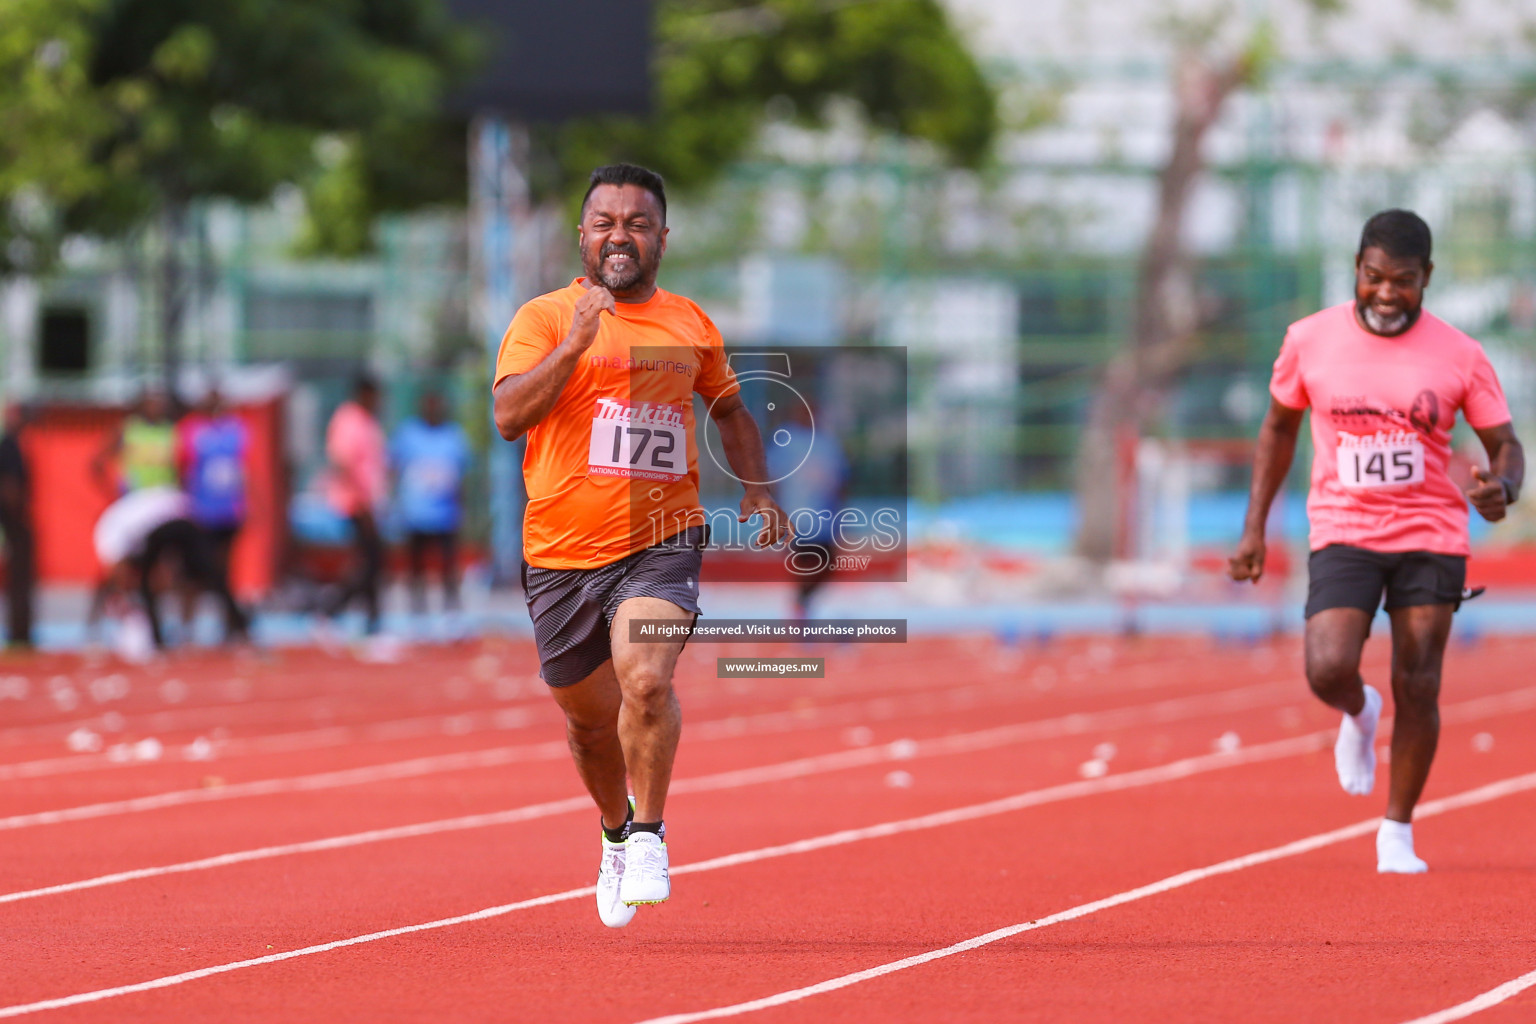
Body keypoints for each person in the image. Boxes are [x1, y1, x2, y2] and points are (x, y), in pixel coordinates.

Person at [492, 163, 791, 927]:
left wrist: (758, 489)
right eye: (605, 222)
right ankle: (615, 830)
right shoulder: (542, 318)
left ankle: (652, 833)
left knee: (647, 680)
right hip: (559, 552)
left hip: (662, 540)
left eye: (637, 222)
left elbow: (729, 410)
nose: (620, 235)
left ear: (662, 236)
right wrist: (575, 346)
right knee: (588, 723)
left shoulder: (690, 323)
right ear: (583, 235)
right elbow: (507, 416)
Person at [1229, 209, 1524, 874]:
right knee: (1328, 667)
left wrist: (1502, 490)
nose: (1386, 293)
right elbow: (1278, 429)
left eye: (1404, 281)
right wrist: (1254, 528)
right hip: (1345, 526)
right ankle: (1361, 714)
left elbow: (1505, 445)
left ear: (1428, 279)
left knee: (1419, 680)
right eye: (1374, 277)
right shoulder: (1309, 340)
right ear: (1356, 269)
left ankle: (1397, 830)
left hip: (1431, 531)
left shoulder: (1460, 354)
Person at [93, 486, 250, 651]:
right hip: (166, 521)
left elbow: (127, 575)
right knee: (155, 583)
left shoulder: (110, 543)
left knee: (206, 574)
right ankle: (161, 636)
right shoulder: (118, 541)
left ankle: (236, 626)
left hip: (181, 517)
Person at [391, 391, 471, 615]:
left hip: (445, 516)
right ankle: (418, 611)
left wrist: (461, 510)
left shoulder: (454, 436)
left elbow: (461, 476)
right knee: (416, 568)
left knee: (448, 567)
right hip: (415, 516)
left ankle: (451, 611)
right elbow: (395, 470)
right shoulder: (408, 435)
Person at [321, 374, 387, 636]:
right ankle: (330, 608)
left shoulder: (368, 421)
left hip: (367, 503)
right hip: (355, 504)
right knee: (369, 563)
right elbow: (342, 462)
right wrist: (362, 501)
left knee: (371, 563)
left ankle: (371, 619)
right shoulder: (349, 420)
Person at [176, 386, 251, 581]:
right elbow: (182, 468)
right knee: (194, 565)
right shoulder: (192, 428)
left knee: (223, 564)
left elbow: (242, 468)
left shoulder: (235, 428)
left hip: (229, 509)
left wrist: (245, 503)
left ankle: (224, 607)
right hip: (200, 509)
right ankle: (188, 610)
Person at [0, 403, 35, 649]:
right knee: (20, 577)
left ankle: (20, 632)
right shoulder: (10, 445)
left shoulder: (15, 444)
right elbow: (10, 485)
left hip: (12, 519)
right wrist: (19, 518)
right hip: (13, 520)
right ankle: (19, 634)